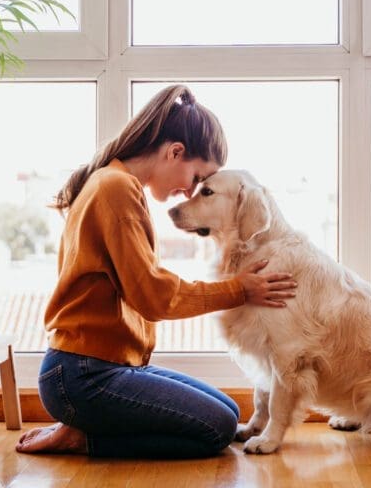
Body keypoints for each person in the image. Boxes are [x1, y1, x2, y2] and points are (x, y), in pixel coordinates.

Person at [15, 84, 297, 458]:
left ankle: (87, 424)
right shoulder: (116, 189)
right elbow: (154, 296)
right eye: (196, 178)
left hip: (102, 368)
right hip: (82, 376)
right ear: (175, 151)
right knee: (217, 429)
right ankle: (84, 436)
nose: (189, 192)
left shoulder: (115, 182)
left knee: (229, 412)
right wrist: (239, 290)